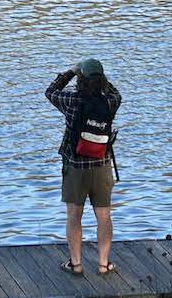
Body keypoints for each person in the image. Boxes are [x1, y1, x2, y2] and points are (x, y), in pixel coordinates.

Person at [46, 58, 122, 275]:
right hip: (102, 165)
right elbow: (115, 92)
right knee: (104, 216)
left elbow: (50, 91)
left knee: (74, 215)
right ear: (102, 80)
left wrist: (71, 70)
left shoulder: (71, 101)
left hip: (75, 166)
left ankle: (76, 264)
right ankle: (103, 264)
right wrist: (102, 81)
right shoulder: (111, 102)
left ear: (81, 80)